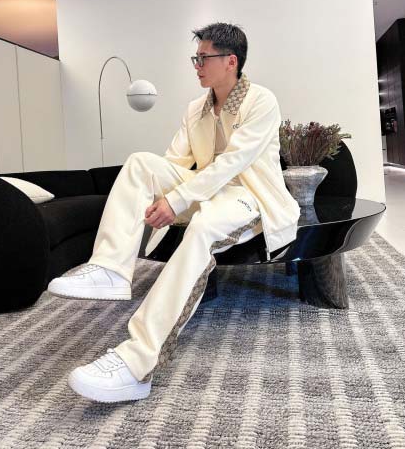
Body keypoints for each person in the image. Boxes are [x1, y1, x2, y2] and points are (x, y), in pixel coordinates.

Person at [48, 22, 301, 403]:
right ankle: (111, 269)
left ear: (231, 61)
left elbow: (232, 164)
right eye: (195, 58)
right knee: (141, 163)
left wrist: (176, 201)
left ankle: (137, 363)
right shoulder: (195, 108)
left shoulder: (261, 101)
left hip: (248, 196)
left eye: (204, 58)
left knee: (202, 228)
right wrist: (160, 197)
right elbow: (174, 162)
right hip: (204, 189)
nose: (196, 65)